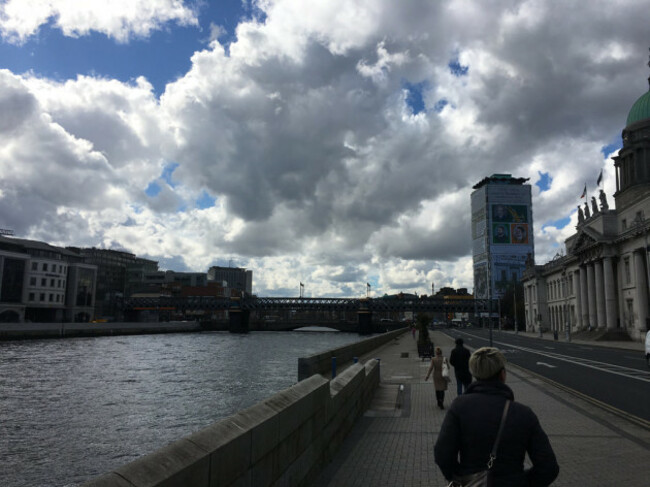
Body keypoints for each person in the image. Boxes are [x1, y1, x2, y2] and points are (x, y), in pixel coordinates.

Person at [434, 347, 559, 486]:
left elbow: (442, 454)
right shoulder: (523, 414)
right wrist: (521, 482)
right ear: (503, 375)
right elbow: (549, 467)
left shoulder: (459, 407)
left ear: (475, 375)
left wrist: (460, 477)